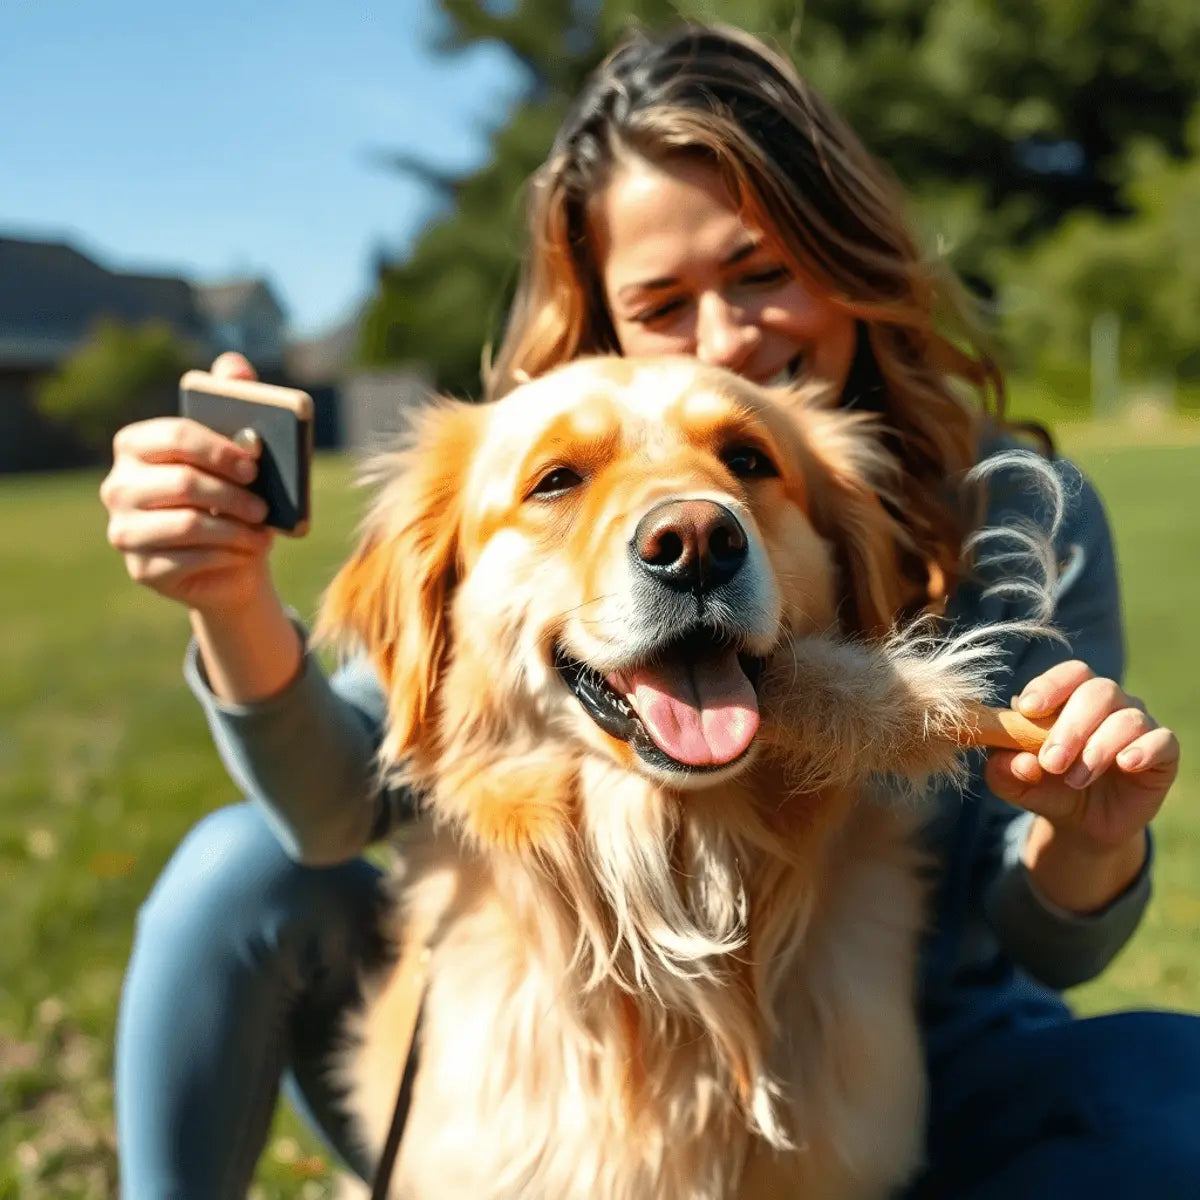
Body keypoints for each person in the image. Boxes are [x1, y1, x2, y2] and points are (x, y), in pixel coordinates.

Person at [101, 23, 1195, 1200]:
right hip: (540, 1029)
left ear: (847, 253)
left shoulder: (1020, 517)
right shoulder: (502, 468)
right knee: (236, 874)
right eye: (664, 302)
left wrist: (1090, 832)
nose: (728, 339)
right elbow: (341, 801)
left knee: (1171, 1086)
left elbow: (1042, 941)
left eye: (765, 270)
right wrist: (228, 600)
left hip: (915, 1035)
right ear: (604, 306)